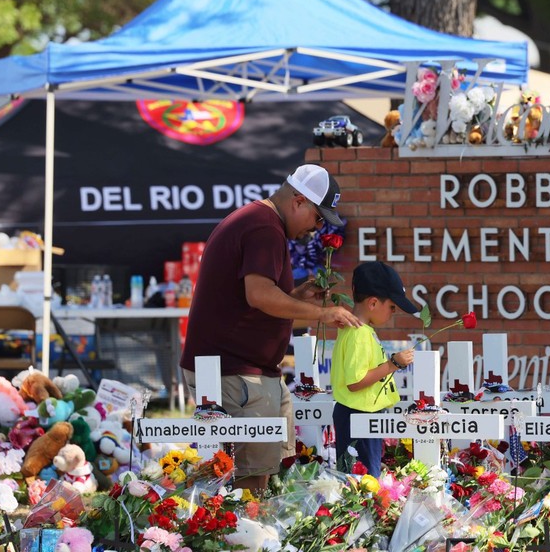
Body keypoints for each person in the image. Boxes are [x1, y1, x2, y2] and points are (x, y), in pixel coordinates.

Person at [179, 164, 362, 492]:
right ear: (298, 201)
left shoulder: (259, 221)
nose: (317, 229)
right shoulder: (264, 228)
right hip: (233, 371)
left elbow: (252, 304)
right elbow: (260, 295)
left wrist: (294, 298)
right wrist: (321, 313)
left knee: (253, 477)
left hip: (237, 368)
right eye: (318, 218)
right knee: (247, 483)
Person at [331, 261, 420, 477]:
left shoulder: (358, 330)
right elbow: (355, 382)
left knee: (363, 475)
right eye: (391, 307)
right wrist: (392, 364)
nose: (393, 313)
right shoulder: (359, 334)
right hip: (358, 413)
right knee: (362, 480)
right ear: (372, 303)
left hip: (360, 413)